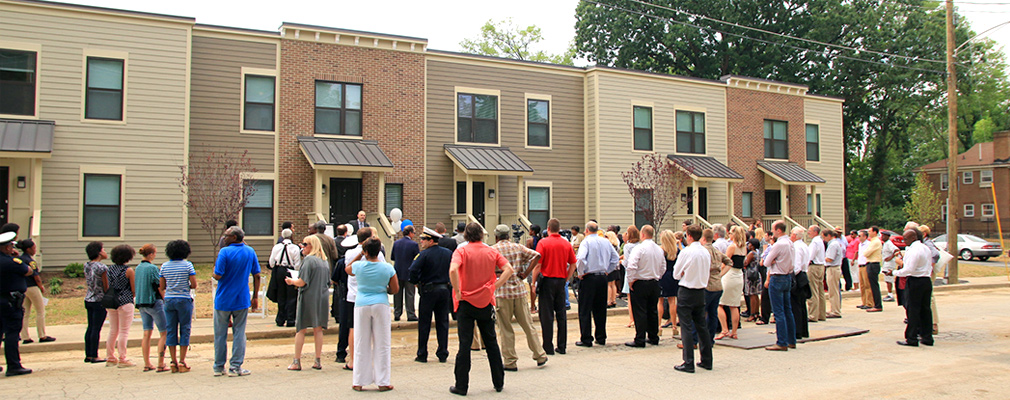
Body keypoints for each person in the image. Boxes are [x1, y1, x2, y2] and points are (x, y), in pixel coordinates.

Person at [449, 223, 513, 396]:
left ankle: (461, 385)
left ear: (466, 236)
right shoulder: (491, 251)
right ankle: (498, 381)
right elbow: (509, 269)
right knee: (491, 342)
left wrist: (457, 291)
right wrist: (495, 286)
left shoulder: (461, 251)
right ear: (482, 235)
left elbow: (453, 269)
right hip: (486, 301)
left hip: (466, 302)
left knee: (465, 344)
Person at [490, 224, 548, 370]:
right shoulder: (518, 247)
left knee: (506, 329)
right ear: (508, 235)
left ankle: (510, 361)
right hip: (519, 291)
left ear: (496, 236)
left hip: (502, 292)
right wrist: (526, 273)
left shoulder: (493, 250)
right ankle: (539, 354)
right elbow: (537, 255)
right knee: (528, 325)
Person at [348, 237, 397, 391]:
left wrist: (360, 254)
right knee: (382, 343)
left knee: (361, 341)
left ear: (366, 252)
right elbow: (394, 289)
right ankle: (383, 381)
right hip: (380, 303)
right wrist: (385, 289)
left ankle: (358, 381)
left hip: (361, 303)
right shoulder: (387, 267)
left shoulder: (358, 266)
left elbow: (347, 268)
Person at [212, 226, 261, 377]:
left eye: (226, 235)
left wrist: (213, 272)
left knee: (220, 334)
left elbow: (218, 275)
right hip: (242, 298)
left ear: (234, 237)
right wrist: (255, 296)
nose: (224, 238)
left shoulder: (224, 252)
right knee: (239, 332)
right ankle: (236, 366)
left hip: (223, 299)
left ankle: (219, 367)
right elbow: (257, 275)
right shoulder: (250, 251)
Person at [341, 227, 387, 370]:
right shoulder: (378, 254)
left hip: (354, 295)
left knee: (353, 329)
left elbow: (347, 269)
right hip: (374, 295)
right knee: (373, 330)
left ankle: (353, 360)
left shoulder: (349, 253)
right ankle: (372, 361)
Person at [285, 235, 330, 371]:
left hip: (308, 296)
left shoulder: (309, 260)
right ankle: (317, 359)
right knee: (318, 328)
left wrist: (291, 281)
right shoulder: (324, 261)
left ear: (312, 246)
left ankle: (296, 360)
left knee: (301, 329)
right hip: (322, 297)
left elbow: (302, 281)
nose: (302, 247)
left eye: (305, 244)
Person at [408, 227, 453, 363]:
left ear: (431, 240)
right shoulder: (448, 253)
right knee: (443, 322)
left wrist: (416, 282)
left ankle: (422, 353)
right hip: (444, 290)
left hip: (428, 291)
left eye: (423, 239)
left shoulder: (424, 254)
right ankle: (443, 352)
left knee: (424, 323)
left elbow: (413, 270)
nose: (421, 241)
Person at [672, 224, 712, 373]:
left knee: (686, 326)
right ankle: (707, 359)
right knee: (702, 325)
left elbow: (676, 273)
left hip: (687, 290)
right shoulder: (705, 252)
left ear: (689, 236)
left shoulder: (686, 252)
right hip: (700, 290)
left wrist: (683, 274)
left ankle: (688, 361)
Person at [534, 218, 577, 356]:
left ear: (548, 228)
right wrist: (566, 278)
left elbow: (538, 264)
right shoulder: (566, 244)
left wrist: (534, 282)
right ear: (559, 228)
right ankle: (562, 345)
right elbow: (573, 264)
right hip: (560, 280)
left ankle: (548, 346)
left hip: (547, 280)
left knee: (546, 315)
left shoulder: (543, 243)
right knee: (561, 313)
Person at [573, 221, 619, 348]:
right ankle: (601, 336)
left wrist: (581, 272)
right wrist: (607, 270)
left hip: (589, 277)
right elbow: (615, 258)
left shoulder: (586, 242)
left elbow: (581, 258)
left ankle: (586, 338)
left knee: (585, 309)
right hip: (602, 277)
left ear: (587, 230)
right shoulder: (605, 241)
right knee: (600, 309)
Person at [891, 229, 934, 347]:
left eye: (905, 239)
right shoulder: (925, 248)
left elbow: (908, 269)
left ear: (913, 238)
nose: (904, 241)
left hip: (915, 281)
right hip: (926, 280)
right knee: (925, 309)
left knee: (913, 310)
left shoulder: (914, 250)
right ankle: (927, 336)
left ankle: (912, 338)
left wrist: (894, 272)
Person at [160, 240, 197, 373]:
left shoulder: (164, 266)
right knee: (185, 328)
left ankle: (172, 361)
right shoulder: (188, 265)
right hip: (183, 299)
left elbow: (162, 286)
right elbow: (194, 284)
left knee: (171, 329)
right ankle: (182, 361)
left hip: (169, 299)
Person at [625, 225, 663, 348]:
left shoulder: (639, 248)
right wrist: (657, 276)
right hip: (654, 282)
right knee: (652, 310)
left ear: (642, 234)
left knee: (640, 311)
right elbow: (663, 266)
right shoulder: (658, 249)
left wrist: (630, 280)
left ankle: (639, 338)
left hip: (641, 281)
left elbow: (631, 266)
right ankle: (653, 336)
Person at [0, 232, 31, 376]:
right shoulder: (11, 262)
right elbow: (28, 271)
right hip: (10, 301)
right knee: (12, 333)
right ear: (7, 248)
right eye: (11, 246)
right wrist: (15, 257)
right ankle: (13, 365)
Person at [134, 244, 168, 372]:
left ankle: (147, 362)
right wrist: (164, 298)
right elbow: (159, 285)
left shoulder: (138, 268)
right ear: (151, 254)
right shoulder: (153, 268)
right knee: (164, 332)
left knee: (147, 332)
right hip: (153, 302)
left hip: (142, 302)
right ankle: (160, 362)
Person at [763, 220, 795, 351]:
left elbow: (766, 262)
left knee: (779, 311)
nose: (772, 233)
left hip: (777, 277)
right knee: (788, 310)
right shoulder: (790, 243)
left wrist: (773, 261)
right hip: (788, 275)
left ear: (779, 230)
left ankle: (781, 341)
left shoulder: (778, 245)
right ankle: (791, 340)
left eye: (773, 230)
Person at [104, 244, 137, 367]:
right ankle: (122, 358)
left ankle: (110, 357)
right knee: (124, 331)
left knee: (113, 330)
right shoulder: (128, 270)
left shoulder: (110, 269)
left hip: (112, 301)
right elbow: (133, 288)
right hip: (125, 301)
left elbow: (107, 285)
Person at [17, 239, 54, 344]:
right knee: (40, 311)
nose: (35, 250)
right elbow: (36, 276)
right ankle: (42, 335)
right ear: (28, 249)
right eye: (34, 248)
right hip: (33, 287)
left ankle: (25, 336)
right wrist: (41, 286)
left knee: (25, 313)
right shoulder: (31, 261)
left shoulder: (20, 259)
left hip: (23, 287)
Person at [701, 229, 731, 342]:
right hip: (718, 284)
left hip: (707, 284)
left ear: (703, 239)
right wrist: (721, 274)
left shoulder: (703, 251)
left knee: (702, 312)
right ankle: (710, 338)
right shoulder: (717, 251)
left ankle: (699, 338)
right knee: (713, 313)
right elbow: (729, 262)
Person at [716, 226, 746, 340]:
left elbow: (726, 262)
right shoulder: (744, 248)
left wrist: (719, 274)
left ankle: (724, 329)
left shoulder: (732, 247)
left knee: (720, 303)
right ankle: (734, 331)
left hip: (730, 274)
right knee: (734, 305)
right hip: (739, 275)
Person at [268, 228, 301, 327]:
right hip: (290, 271)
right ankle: (291, 319)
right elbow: (297, 264)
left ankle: (280, 319)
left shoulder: (276, 247)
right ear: (291, 236)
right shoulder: (295, 248)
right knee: (291, 295)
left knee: (281, 294)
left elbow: (271, 262)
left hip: (279, 270)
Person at [83, 242, 108, 364]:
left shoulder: (87, 265)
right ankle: (94, 355)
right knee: (96, 329)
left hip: (89, 298)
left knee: (91, 327)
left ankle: (88, 354)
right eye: (103, 249)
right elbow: (105, 285)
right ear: (99, 252)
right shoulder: (102, 267)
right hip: (99, 299)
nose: (105, 252)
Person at [392, 225, 419, 322]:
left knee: (397, 294)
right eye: (414, 233)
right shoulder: (414, 245)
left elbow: (392, 257)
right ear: (410, 233)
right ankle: (410, 314)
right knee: (410, 294)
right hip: (409, 273)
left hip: (398, 272)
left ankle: (397, 313)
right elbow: (417, 260)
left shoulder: (396, 243)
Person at [790, 227, 811, 340]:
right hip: (803, 275)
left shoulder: (797, 247)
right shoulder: (804, 245)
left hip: (798, 276)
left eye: (791, 234)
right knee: (801, 305)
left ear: (794, 235)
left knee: (796, 305)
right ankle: (803, 330)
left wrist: (792, 276)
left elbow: (797, 265)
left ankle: (797, 331)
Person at [658, 230, 680, 334]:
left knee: (660, 301)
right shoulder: (677, 251)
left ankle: (658, 326)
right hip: (673, 275)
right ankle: (674, 325)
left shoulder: (661, 251)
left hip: (662, 275)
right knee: (672, 301)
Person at [620, 226, 641, 327]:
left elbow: (627, 261)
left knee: (630, 298)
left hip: (629, 273)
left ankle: (632, 319)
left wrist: (621, 262)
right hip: (639, 273)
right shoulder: (640, 245)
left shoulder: (627, 246)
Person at [806, 226, 826, 322]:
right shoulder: (820, 241)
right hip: (821, 266)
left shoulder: (815, 242)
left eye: (810, 231)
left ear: (815, 232)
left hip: (814, 266)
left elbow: (810, 256)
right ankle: (821, 313)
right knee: (820, 290)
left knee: (813, 290)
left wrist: (806, 265)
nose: (808, 232)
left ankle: (813, 315)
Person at [823, 230, 844, 318]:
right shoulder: (834, 244)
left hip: (833, 268)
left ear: (829, 236)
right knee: (833, 290)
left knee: (833, 291)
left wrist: (822, 258)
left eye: (824, 236)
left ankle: (835, 311)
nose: (823, 239)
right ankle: (834, 308)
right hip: (833, 268)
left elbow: (830, 258)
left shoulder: (833, 245)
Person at [863, 226, 884, 312]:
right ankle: (876, 304)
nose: (869, 233)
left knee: (874, 285)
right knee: (872, 285)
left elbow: (867, 253)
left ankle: (878, 305)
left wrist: (865, 253)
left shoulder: (875, 242)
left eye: (870, 231)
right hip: (870, 263)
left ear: (875, 232)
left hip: (873, 263)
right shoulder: (872, 241)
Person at [742, 238, 763, 322]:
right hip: (756, 274)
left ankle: (752, 313)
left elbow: (745, 263)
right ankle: (757, 312)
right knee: (756, 295)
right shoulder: (757, 253)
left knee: (752, 295)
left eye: (750, 244)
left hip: (751, 275)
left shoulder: (751, 253)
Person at [604, 231, 621, 308]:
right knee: (613, 284)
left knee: (608, 285)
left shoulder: (609, 246)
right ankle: (613, 300)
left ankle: (608, 300)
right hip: (616, 267)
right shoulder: (616, 246)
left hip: (610, 266)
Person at [881, 231, 898, 302]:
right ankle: (889, 293)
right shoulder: (885, 244)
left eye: (884, 236)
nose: (882, 237)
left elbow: (896, 250)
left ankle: (890, 294)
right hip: (886, 263)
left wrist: (891, 257)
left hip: (889, 263)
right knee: (887, 279)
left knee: (889, 279)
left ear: (887, 237)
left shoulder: (889, 244)